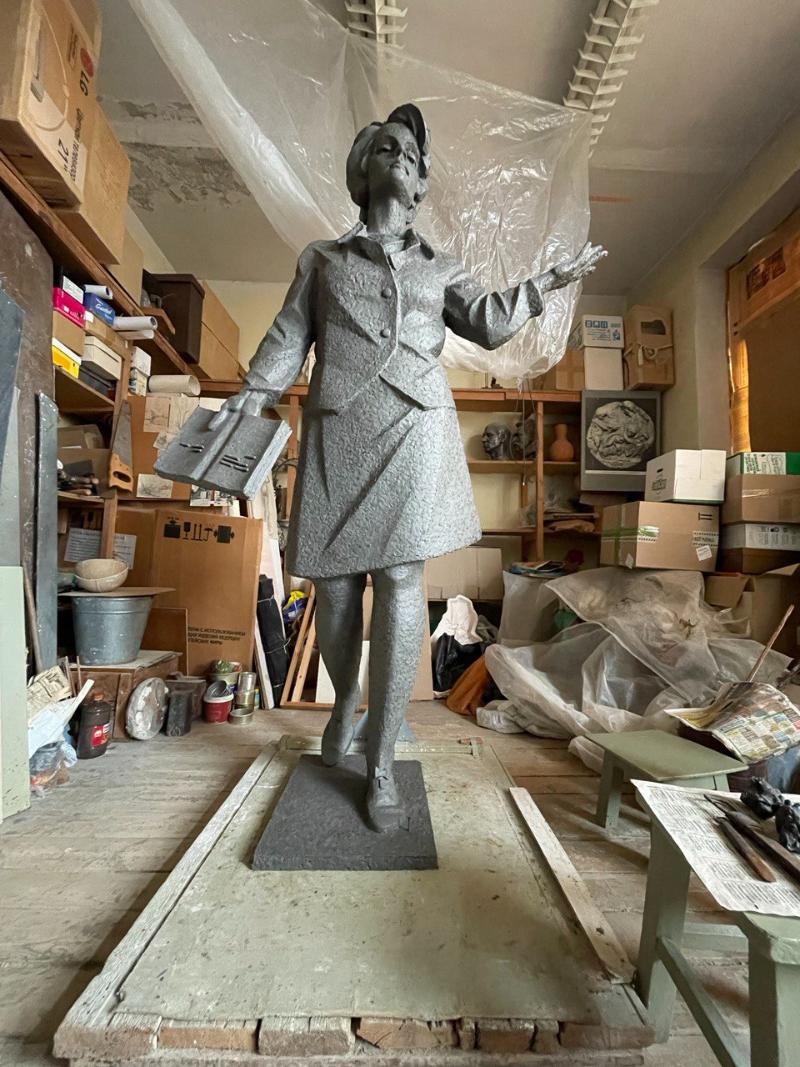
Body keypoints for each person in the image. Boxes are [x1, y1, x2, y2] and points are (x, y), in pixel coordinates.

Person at [211, 103, 605, 831]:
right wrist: (253, 393)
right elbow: (289, 335)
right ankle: (347, 704)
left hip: (414, 427)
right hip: (338, 426)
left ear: (421, 184)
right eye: (386, 148)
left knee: (399, 582)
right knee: (333, 588)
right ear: (364, 171)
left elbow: (487, 321)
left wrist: (549, 281)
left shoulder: (440, 266)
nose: (400, 157)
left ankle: (383, 760)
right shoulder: (322, 260)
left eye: (411, 155)